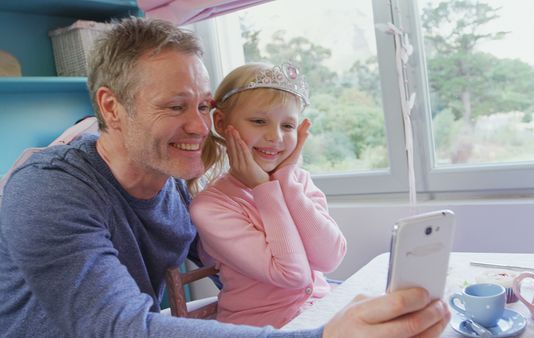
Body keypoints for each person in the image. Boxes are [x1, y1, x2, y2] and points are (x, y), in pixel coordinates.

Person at [0, 17, 450, 338]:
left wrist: (343, 302)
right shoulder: (48, 190)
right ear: (112, 107)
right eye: (176, 107)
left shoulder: (172, 183)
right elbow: (119, 326)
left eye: (202, 106)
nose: (200, 127)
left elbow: (257, 271)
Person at [189, 62, 347, 328]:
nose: (275, 137)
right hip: (262, 330)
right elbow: (292, 275)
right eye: (259, 121)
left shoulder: (299, 182)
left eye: (287, 125)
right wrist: (265, 189)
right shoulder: (210, 208)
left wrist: (286, 181)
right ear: (221, 123)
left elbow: (330, 259)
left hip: (319, 317)